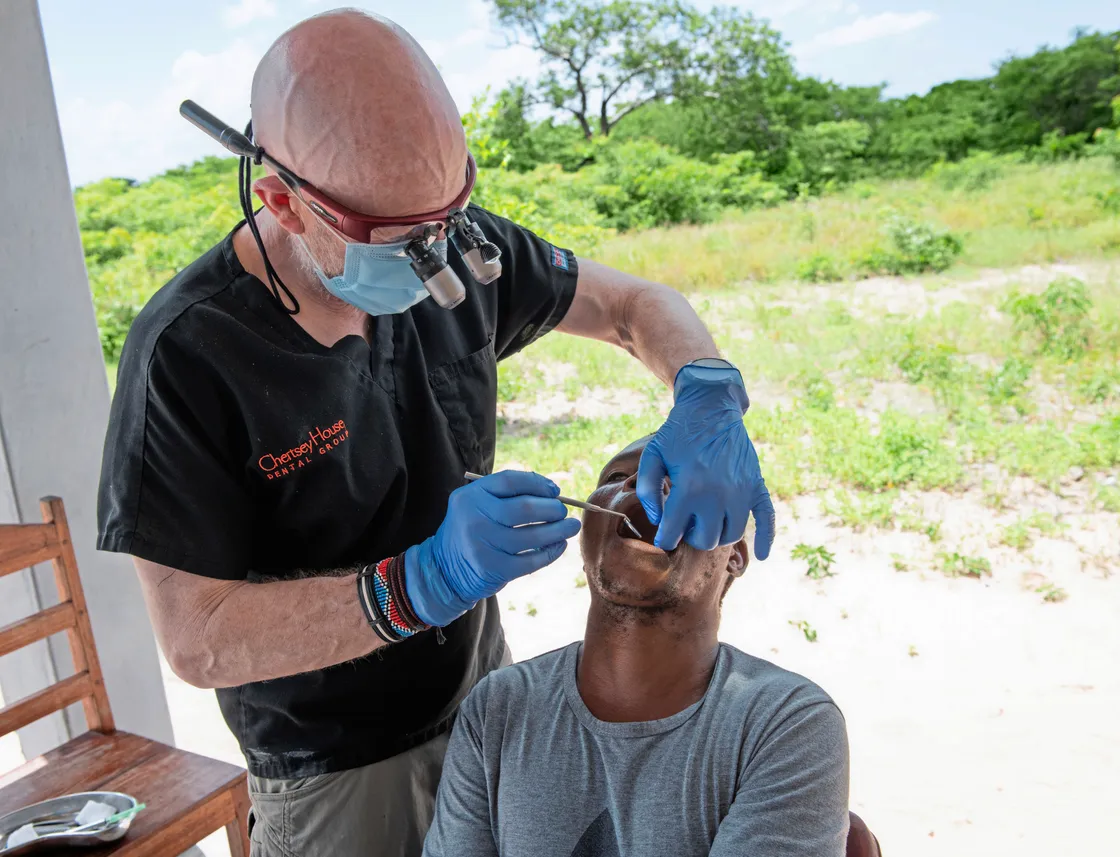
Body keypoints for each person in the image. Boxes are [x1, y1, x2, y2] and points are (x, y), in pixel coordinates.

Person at [96, 9, 775, 857]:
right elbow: (198, 639)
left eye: (450, 219)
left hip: (488, 705)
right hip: (340, 766)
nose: (439, 260)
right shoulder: (189, 355)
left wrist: (706, 391)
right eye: (401, 241)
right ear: (283, 200)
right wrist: (416, 584)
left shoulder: (452, 241)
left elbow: (637, 307)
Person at [423, 435, 850, 857]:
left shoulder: (786, 724)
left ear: (734, 555)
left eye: (686, 482)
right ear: (586, 529)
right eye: (618, 476)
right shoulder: (499, 706)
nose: (641, 486)